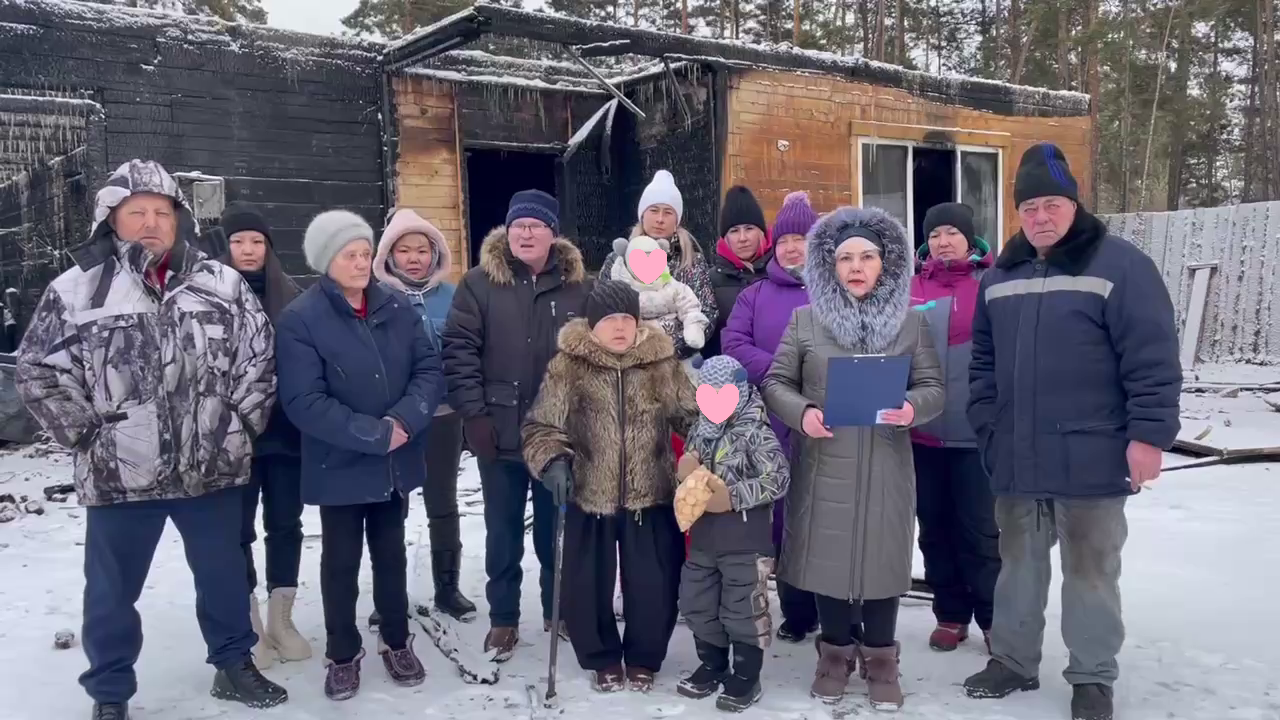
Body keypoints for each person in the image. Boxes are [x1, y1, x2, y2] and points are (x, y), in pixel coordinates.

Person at [15, 160, 287, 720]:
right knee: (111, 593)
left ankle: (234, 665)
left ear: (178, 220)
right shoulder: (77, 290)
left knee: (224, 576)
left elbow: (259, 362)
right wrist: (88, 433)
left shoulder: (221, 283)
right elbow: (38, 370)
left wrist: (235, 425)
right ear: (109, 219)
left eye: (161, 212)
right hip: (120, 474)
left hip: (209, 465)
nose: (150, 222)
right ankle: (110, 693)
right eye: (135, 211)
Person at [963, 143, 1181, 720]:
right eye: (1029, 206)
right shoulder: (999, 275)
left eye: (1051, 204)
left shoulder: (1119, 265)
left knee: (1091, 572)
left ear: (1074, 204)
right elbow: (981, 363)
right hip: (1015, 455)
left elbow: (1152, 357)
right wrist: (987, 424)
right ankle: (1012, 659)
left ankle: (1091, 676)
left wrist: (1149, 436)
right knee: (1018, 568)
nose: (1040, 217)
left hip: (1092, 452)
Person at [762, 206, 944, 711]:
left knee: (883, 563)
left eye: (867, 256)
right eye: (845, 258)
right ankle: (834, 656)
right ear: (830, 266)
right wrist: (803, 414)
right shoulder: (805, 320)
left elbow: (933, 388)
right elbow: (776, 382)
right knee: (830, 560)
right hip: (823, 461)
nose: (857, 266)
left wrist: (912, 408)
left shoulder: (909, 323)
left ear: (886, 264)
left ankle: (881, 660)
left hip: (887, 462)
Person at [275, 210, 444, 700]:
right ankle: (343, 652)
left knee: (391, 554)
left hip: (394, 457)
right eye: (350, 255)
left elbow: (429, 370)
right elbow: (303, 401)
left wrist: (404, 422)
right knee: (340, 561)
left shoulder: (394, 305)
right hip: (341, 463)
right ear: (327, 259)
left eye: (366, 254)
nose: (361, 263)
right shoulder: (301, 319)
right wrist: (372, 434)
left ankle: (396, 640)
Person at [521, 280, 698, 693]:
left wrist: (710, 446)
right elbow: (542, 425)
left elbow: (690, 416)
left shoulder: (661, 363)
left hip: (650, 493)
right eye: (610, 320)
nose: (620, 328)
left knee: (654, 583)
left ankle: (643, 657)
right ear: (592, 324)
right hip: (588, 492)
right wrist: (553, 462)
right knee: (586, 585)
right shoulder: (569, 366)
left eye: (627, 319)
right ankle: (601, 658)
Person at [442, 190, 590, 660]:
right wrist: (474, 415)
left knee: (556, 532)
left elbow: (595, 355)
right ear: (507, 231)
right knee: (502, 534)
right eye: (519, 225)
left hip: (557, 435)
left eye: (537, 225)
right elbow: (459, 352)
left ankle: (558, 610)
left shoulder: (579, 286)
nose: (527, 233)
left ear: (553, 233)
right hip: (498, 431)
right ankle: (503, 619)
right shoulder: (479, 283)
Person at [720, 189, 819, 644]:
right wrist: (781, 373)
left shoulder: (834, 289)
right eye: (783, 240)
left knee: (817, 514)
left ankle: (824, 606)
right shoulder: (755, 294)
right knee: (776, 515)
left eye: (800, 238)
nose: (791, 247)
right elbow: (734, 344)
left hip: (822, 418)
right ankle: (793, 610)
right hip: (768, 418)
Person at [216, 202, 311, 668]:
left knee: (285, 524)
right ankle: (248, 619)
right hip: (232, 437)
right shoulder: (208, 297)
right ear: (224, 247)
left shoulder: (291, 295)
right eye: (238, 241)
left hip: (285, 436)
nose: (248, 250)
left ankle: (282, 617)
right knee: (237, 529)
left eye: (256, 242)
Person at [371, 207, 477, 622]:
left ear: (435, 254)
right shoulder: (374, 297)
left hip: (443, 416)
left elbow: (469, 349)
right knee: (391, 505)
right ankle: (389, 594)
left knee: (442, 502)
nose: (414, 258)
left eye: (422, 249)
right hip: (394, 420)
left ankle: (447, 588)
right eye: (404, 250)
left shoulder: (454, 297)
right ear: (390, 255)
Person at [907, 202, 1000, 654]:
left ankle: (993, 617)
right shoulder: (910, 288)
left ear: (970, 238)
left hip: (974, 434)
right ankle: (950, 614)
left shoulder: (990, 284)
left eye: (952, 233)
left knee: (981, 530)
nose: (944, 242)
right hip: (922, 435)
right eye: (936, 234)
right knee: (934, 528)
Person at [675, 354, 789, 712]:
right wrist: (684, 473)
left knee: (742, 609)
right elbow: (690, 477)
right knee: (697, 602)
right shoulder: (700, 428)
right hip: (704, 538)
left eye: (721, 389)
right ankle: (712, 664)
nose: (714, 396)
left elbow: (778, 477)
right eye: (707, 389)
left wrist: (734, 496)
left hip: (744, 540)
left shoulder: (755, 429)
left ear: (738, 390)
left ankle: (745, 675)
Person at [598, 169, 717, 364]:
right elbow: (601, 307)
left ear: (676, 220)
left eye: (668, 212)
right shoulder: (617, 260)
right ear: (642, 215)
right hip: (624, 361)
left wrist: (664, 350)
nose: (660, 219)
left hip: (676, 363)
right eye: (654, 210)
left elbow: (707, 313)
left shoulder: (691, 261)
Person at [704, 185, 772, 357]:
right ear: (725, 238)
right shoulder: (711, 280)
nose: (743, 238)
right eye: (734, 231)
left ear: (761, 232)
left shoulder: (777, 274)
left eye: (749, 228)